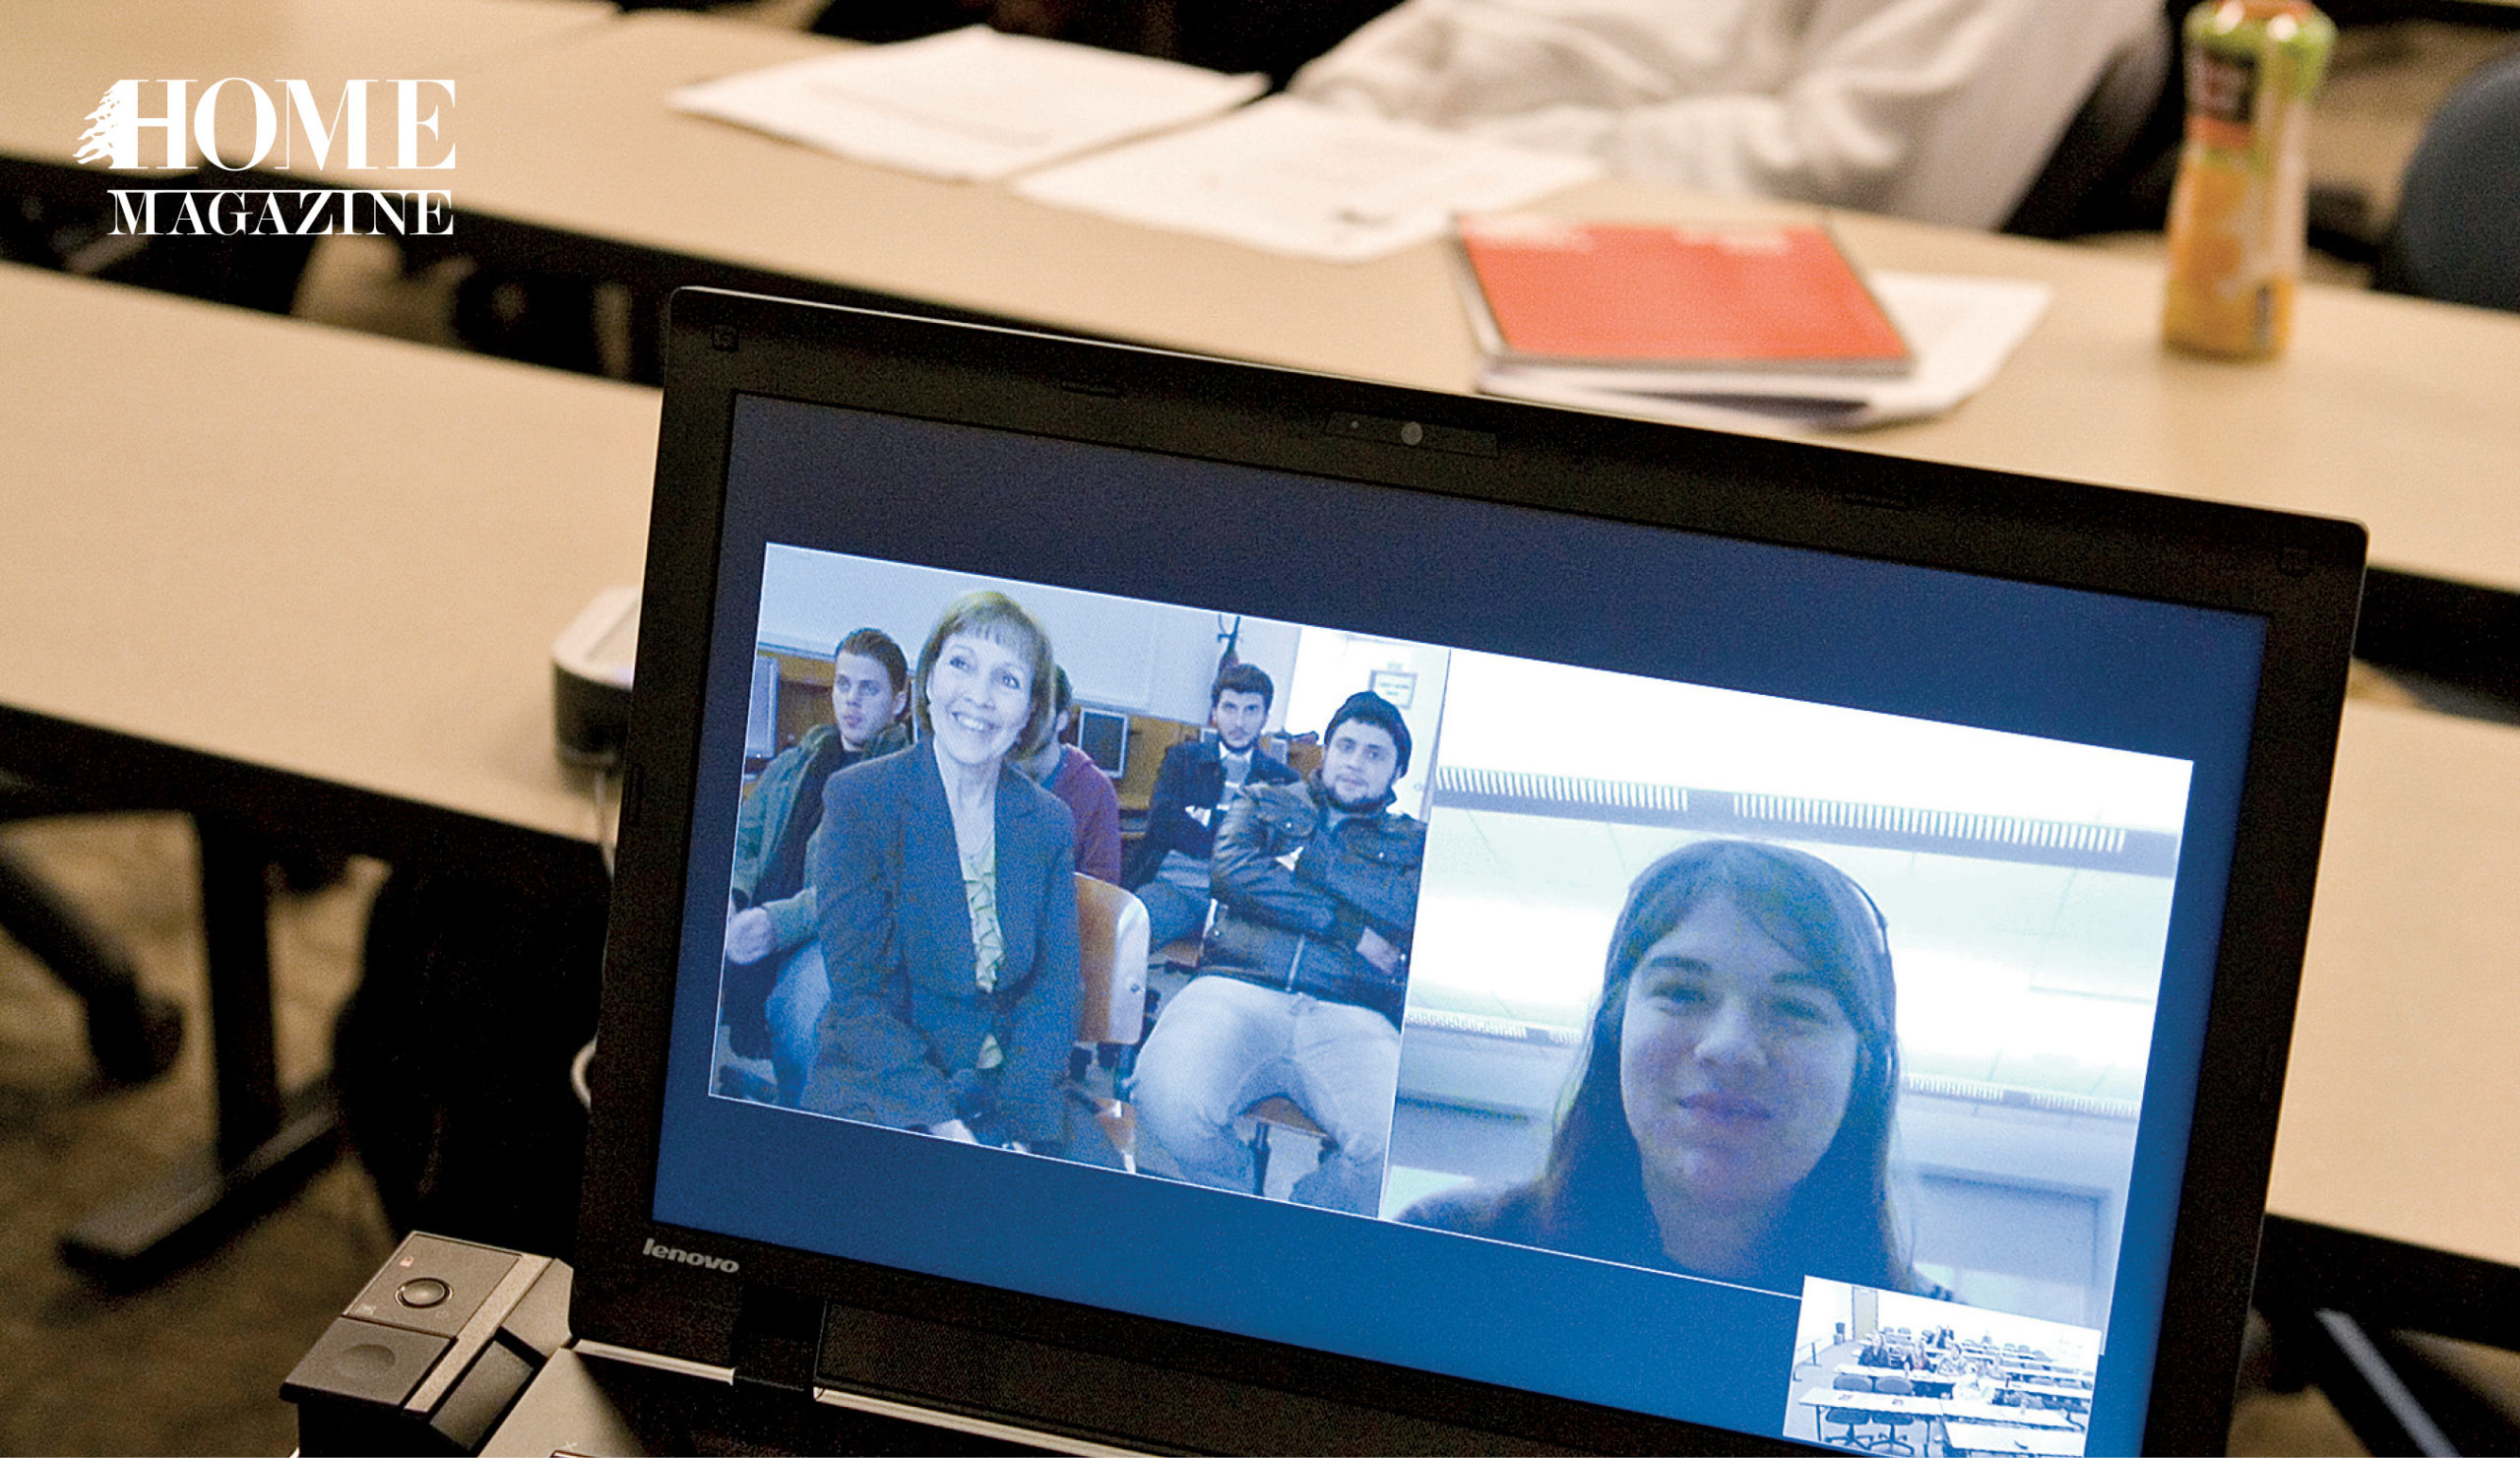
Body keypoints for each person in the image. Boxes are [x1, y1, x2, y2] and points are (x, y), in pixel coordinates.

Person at [1401, 839, 1940, 1296]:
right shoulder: (1446, 1253)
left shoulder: (1926, 1348)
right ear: (1615, 1028)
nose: (1729, 1048)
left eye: (1796, 1009)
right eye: (1682, 992)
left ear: (1863, 1070)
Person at [1285, 0, 2164, 229]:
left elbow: (1852, 183)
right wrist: (1382, 90)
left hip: (1738, 314)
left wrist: (1465, 150)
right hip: (1391, 191)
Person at [799, 592, 1105, 1161]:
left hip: (1012, 1088)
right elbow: (862, 999)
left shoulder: (1048, 822)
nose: (979, 697)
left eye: (1007, 680)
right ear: (928, 681)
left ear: (1030, 713)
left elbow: (1055, 988)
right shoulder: (860, 799)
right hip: (887, 1078)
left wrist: (1019, 1126)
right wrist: (945, 1126)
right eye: (962, 664)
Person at [1131, 690, 1424, 1214]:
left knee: (1392, 1147)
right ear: (1326, 751)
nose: (1355, 762)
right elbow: (1231, 872)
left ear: (1397, 771)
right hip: (1234, 986)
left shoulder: (1416, 843)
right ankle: (1238, 1194)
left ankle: (1301, 1216)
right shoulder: (1265, 798)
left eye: (1374, 754)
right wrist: (1351, 927)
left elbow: (1402, 912)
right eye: (1346, 746)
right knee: (1163, 1098)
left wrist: (1298, 865)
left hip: (1352, 1011)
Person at [721, 627, 914, 1105]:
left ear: (899, 700)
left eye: (869, 689)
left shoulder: (904, 782)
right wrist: (733, 896)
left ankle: (798, 1124)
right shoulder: (796, 762)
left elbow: (857, 888)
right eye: (843, 684)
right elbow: (743, 839)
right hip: (759, 915)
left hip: (840, 938)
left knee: (802, 1012)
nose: (852, 700)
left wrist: (774, 924)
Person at [1121, 663, 1301, 949]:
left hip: (1241, 903)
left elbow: (1275, 850)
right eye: (1230, 708)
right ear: (1215, 713)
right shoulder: (1182, 760)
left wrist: (1204, 820)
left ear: (1265, 717)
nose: (1239, 722)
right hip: (1175, 888)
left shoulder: (1282, 780)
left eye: (1251, 710)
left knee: (1270, 954)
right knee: (1126, 936)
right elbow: (1163, 826)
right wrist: (1236, 839)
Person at [1020, 666, 1124, 884]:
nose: (1024, 720)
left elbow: (1100, 885)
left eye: (1038, 712)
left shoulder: (1095, 789)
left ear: (1061, 720)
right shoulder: (987, 771)